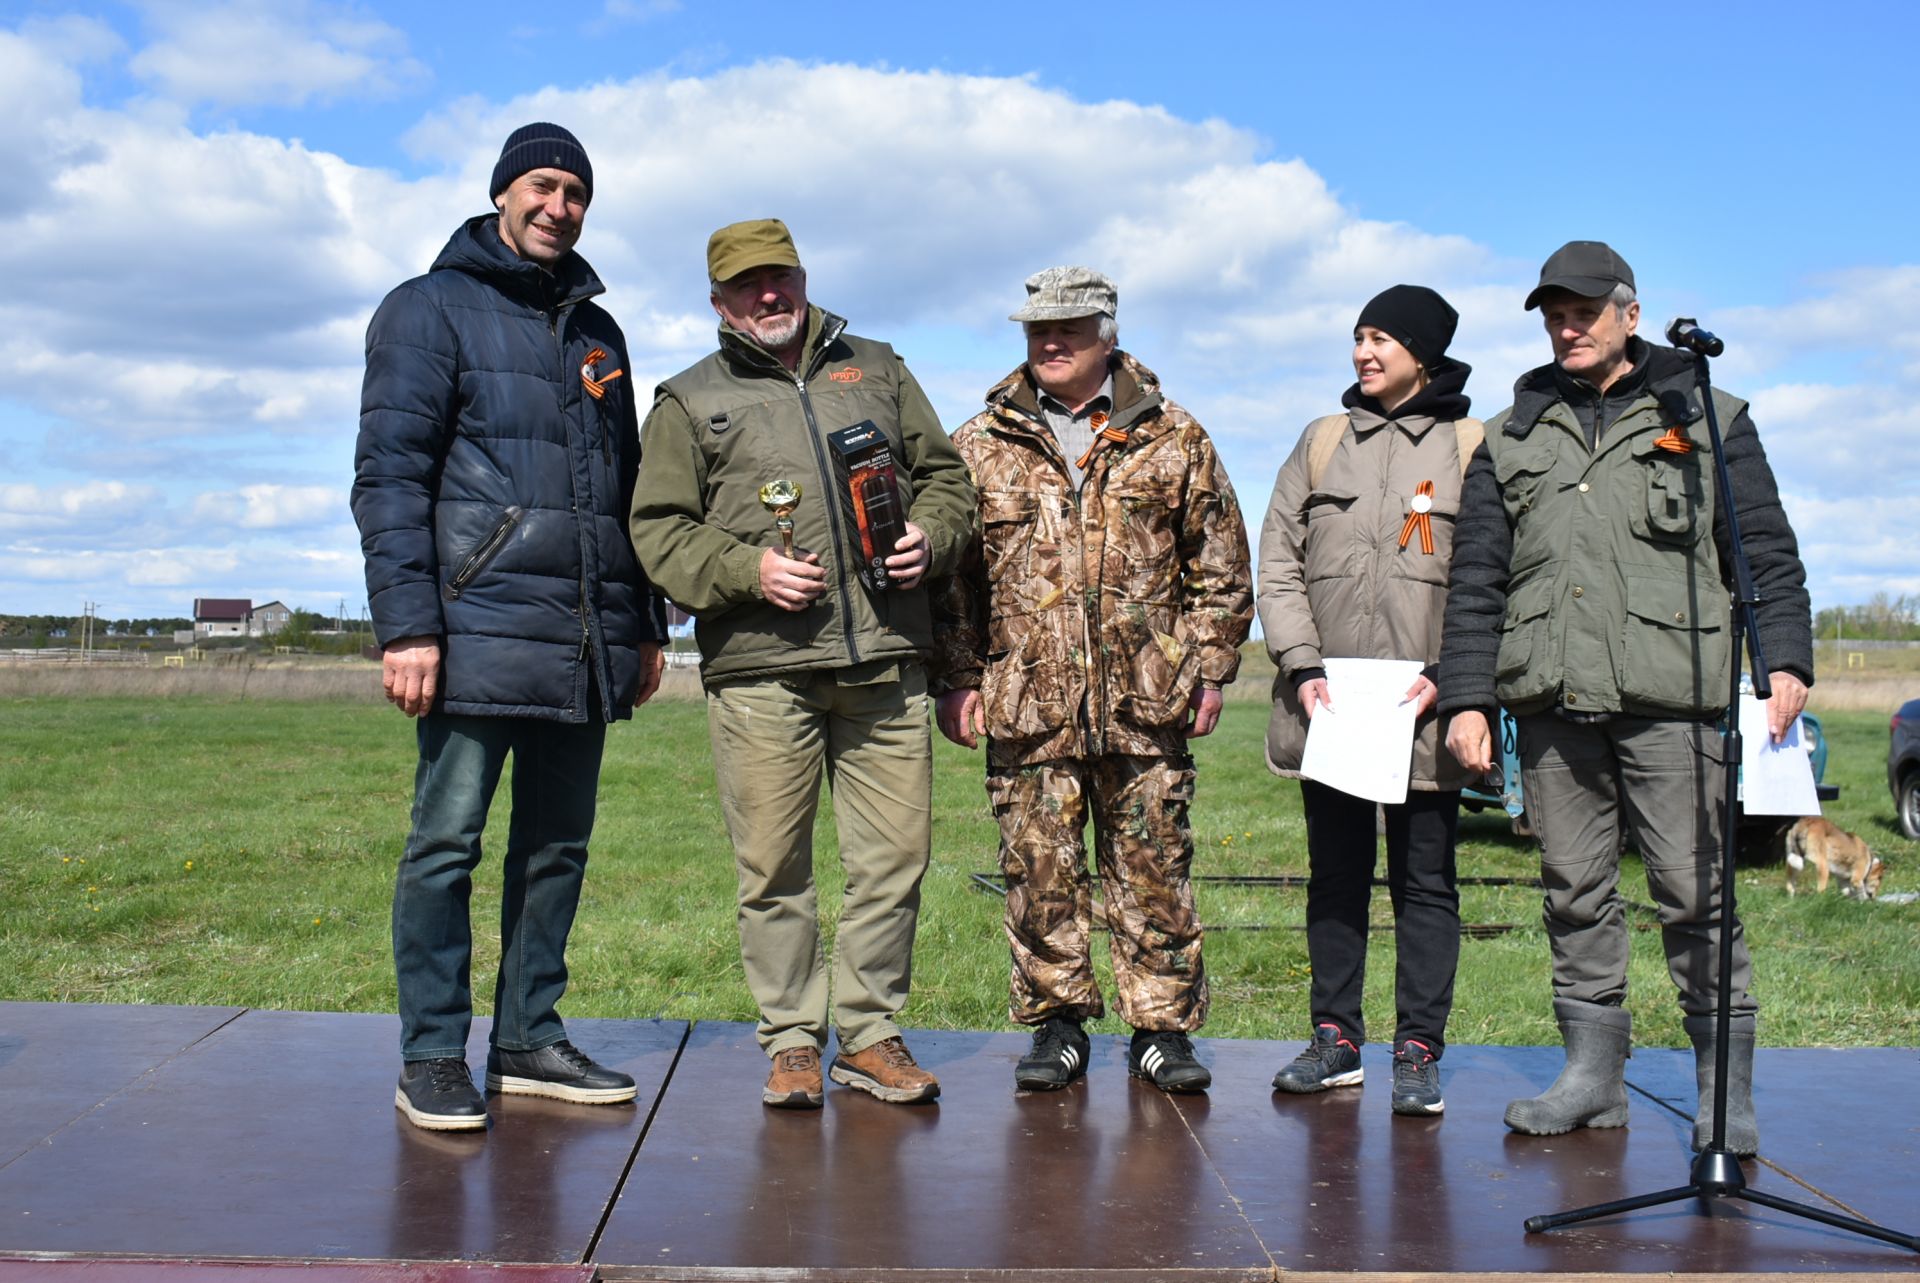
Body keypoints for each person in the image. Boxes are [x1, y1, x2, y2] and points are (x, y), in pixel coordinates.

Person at [1438, 241, 1812, 1155]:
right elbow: (1478, 575)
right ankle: (1593, 1078)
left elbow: (1762, 547)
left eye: (1584, 312)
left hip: (1672, 696)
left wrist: (1786, 661)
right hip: (1553, 697)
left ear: (1629, 316)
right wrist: (1468, 699)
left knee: (1694, 894)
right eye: (1554, 314)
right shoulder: (1511, 433)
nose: (1567, 327)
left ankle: (1725, 1093)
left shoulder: (1711, 415)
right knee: (1574, 892)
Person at [352, 123, 667, 1132]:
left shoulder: (598, 335)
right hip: (471, 629)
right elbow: (389, 478)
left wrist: (644, 623)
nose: (559, 206)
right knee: (446, 844)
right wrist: (408, 626)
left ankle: (529, 1034)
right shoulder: (425, 309)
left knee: (557, 846)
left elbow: (626, 491)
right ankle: (434, 1051)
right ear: (502, 193)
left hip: (582, 643)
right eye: (543, 185)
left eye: (576, 192)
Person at [629, 219, 975, 1110]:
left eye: (779, 277)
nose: (769, 295)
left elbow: (948, 480)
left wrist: (929, 541)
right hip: (760, 671)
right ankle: (790, 1039)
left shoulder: (881, 367)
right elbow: (658, 529)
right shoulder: (685, 400)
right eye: (748, 285)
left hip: (885, 661)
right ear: (719, 302)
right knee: (775, 869)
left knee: (894, 861)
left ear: (803, 276)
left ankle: (867, 1036)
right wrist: (750, 570)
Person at [931, 267, 1253, 1094]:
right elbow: (955, 585)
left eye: (1069, 329)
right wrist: (959, 679)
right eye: (1038, 328)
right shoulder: (980, 443)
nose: (1050, 342)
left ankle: (1162, 1029)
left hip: (1148, 701)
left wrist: (1209, 666)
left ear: (1107, 336)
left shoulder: (1175, 437)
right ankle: (1056, 1026)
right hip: (1028, 702)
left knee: (1153, 866)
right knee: (1039, 871)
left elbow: (1218, 564)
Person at [1258, 285, 1478, 1116]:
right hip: (1334, 707)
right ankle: (1336, 1041)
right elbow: (1277, 558)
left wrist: (1453, 674)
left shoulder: (1470, 445)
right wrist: (1301, 663)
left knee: (1426, 881)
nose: (1364, 352)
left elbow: (1492, 571)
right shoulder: (1321, 443)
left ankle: (1419, 1049)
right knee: (1336, 877)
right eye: (1358, 337)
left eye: (1383, 338)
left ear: (1423, 351)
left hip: (1422, 710)